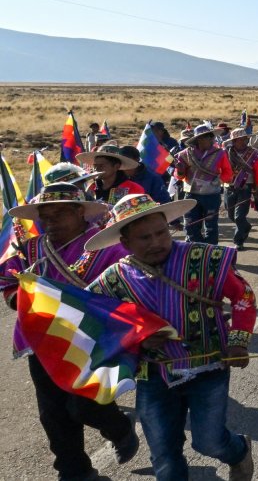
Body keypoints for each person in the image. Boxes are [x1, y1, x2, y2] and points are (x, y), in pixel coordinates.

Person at [85, 194, 256, 481]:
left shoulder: (205, 259)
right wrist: (134, 341)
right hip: (154, 374)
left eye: (161, 232)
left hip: (209, 367)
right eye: (144, 238)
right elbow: (97, 324)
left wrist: (238, 341)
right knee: (164, 453)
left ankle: (238, 450)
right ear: (125, 244)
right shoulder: (112, 281)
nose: (156, 242)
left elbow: (244, 296)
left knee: (209, 442)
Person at [1, 184, 139, 481]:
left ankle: (119, 427)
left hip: (92, 340)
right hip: (44, 340)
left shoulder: (106, 246)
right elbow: (9, 283)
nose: (50, 223)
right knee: (53, 414)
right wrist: (20, 297)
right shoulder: (30, 248)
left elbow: (129, 286)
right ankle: (74, 471)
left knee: (84, 404)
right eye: (45, 217)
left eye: (59, 214)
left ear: (79, 212)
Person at [172, 124, 233, 245]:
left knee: (211, 226)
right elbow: (179, 176)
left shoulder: (220, 153)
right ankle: (196, 250)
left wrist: (218, 181)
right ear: (198, 139)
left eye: (211, 137)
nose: (211, 139)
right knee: (191, 225)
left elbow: (228, 173)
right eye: (207, 137)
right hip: (191, 195)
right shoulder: (185, 154)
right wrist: (179, 170)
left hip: (211, 195)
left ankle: (210, 252)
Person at [223, 128, 258, 250]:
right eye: (240, 140)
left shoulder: (253, 153)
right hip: (229, 187)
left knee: (239, 216)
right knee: (230, 215)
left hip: (245, 188)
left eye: (244, 139)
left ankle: (239, 241)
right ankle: (245, 226)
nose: (243, 141)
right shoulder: (225, 153)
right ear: (234, 141)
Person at [78, 143, 146, 205]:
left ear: (116, 167)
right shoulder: (91, 187)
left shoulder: (134, 189)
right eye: (95, 166)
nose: (96, 169)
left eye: (101, 166)